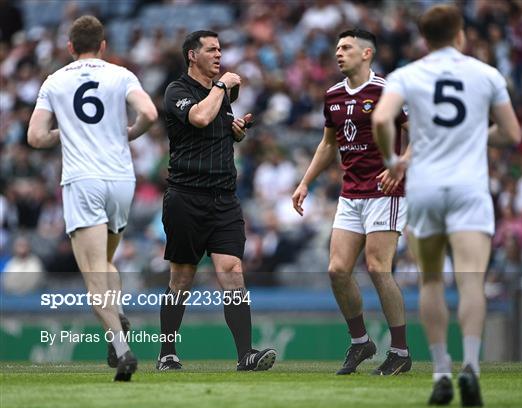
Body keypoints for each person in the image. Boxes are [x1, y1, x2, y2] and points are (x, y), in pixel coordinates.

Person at [372, 4, 520, 407]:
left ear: (424, 39)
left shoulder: (406, 74)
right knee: (472, 282)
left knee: (432, 281)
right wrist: (476, 134)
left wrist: (392, 161)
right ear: (460, 34)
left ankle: (440, 371)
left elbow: (382, 119)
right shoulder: (485, 74)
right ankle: (470, 365)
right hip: (470, 189)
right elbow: (511, 132)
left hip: (425, 190)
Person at [27, 15, 158, 381]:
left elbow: (35, 137)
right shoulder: (121, 74)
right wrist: (130, 132)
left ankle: (121, 348)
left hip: (82, 180)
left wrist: (65, 132)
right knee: (105, 262)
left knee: (92, 275)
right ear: (103, 45)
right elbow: (149, 112)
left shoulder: (55, 81)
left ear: (69, 47)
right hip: (120, 179)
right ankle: (117, 317)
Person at [291, 29, 412, 376]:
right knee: (337, 270)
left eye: (346, 47)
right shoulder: (332, 95)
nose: (339, 53)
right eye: (337, 48)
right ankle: (361, 342)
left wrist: (400, 166)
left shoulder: (388, 91)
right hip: (351, 193)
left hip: (384, 191)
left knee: (377, 267)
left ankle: (400, 351)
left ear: (366, 53)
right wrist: (305, 182)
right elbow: (328, 144)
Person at [158, 30, 276, 371]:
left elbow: (213, 127)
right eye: (211, 49)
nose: (219, 54)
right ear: (192, 55)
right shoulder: (177, 91)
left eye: (221, 49)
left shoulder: (219, 97)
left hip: (224, 198)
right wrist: (223, 86)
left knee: (233, 272)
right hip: (186, 197)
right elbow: (198, 117)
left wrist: (233, 130)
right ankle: (167, 352)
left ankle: (245, 355)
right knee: (182, 277)